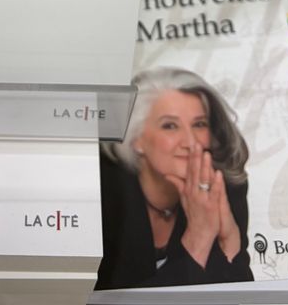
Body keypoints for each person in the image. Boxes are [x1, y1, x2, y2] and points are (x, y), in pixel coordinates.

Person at [95, 65, 253, 289]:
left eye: (199, 124)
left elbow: (239, 294)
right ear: (136, 139)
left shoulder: (225, 185)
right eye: (170, 126)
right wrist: (198, 239)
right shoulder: (105, 190)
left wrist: (229, 241)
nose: (190, 142)